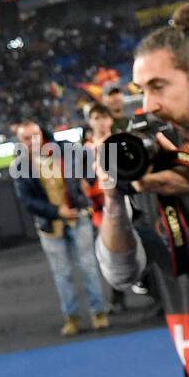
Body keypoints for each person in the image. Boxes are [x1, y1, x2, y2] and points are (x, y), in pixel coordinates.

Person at [96, 2, 189, 377]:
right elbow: (120, 271)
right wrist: (115, 201)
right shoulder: (151, 169)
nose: (148, 105)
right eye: (140, 92)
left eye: (159, 86)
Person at [13, 120, 109, 336]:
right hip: (50, 225)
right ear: (20, 141)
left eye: (34, 135)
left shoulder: (64, 149)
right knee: (61, 273)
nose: (31, 141)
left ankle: (99, 313)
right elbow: (27, 200)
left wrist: (87, 179)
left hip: (78, 216)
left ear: (42, 133)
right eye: (26, 138)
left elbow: (88, 164)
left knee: (88, 267)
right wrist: (57, 212)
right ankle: (72, 318)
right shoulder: (21, 164)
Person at [84, 103, 125, 312]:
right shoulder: (85, 151)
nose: (101, 122)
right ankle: (117, 298)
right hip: (101, 210)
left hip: (127, 203)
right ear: (90, 122)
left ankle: (156, 295)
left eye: (104, 117)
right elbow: (82, 181)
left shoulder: (122, 143)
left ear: (110, 120)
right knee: (109, 253)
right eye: (96, 118)